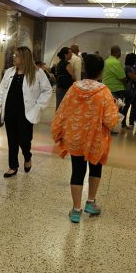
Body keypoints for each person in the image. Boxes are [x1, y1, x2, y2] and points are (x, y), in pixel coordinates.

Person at [51, 54, 119, 223]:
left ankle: (76, 210)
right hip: (96, 138)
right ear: (101, 72)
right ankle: (90, 202)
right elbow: (110, 121)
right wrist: (116, 106)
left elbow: (62, 111)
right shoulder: (104, 92)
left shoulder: (74, 88)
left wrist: (57, 131)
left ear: (84, 69)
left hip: (75, 137)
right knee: (95, 169)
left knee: (77, 171)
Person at [0, 46, 52, 178]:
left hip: (27, 112)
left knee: (25, 140)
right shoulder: (9, 72)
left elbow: (47, 90)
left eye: (17, 56)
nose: (14, 58)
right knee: (12, 140)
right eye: (14, 55)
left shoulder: (37, 73)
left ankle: (27, 156)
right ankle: (13, 166)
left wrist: (39, 106)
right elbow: (1, 91)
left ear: (24, 57)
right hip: (9, 111)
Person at [121, 53, 136, 128]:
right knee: (127, 106)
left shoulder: (132, 68)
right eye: (135, 58)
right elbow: (135, 78)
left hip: (133, 89)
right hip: (129, 90)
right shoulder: (128, 68)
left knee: (134, 106)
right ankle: (123, 122)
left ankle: (134, 122)